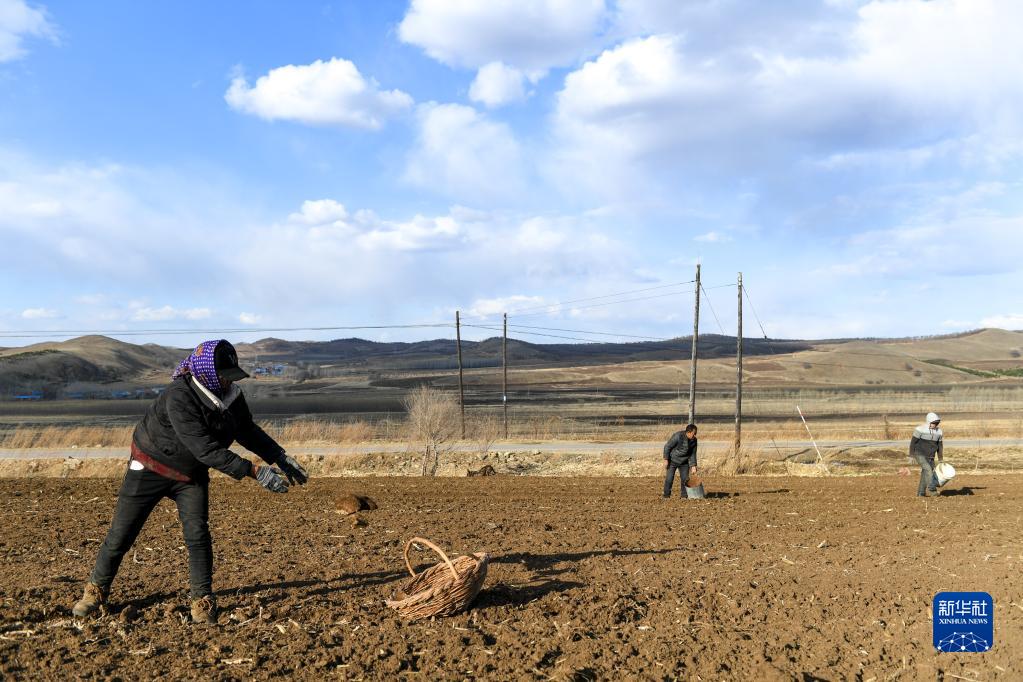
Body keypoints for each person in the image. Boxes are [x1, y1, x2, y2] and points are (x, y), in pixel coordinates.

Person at [71, 340, 309, 623]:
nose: (226, 381)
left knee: (197, 535)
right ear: (206, 371)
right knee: (122, 533)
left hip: (190, 474)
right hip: (150, 465)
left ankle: (202, 599)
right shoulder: (179, 396)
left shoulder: (231, 396)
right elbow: (205, 448)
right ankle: (95, 591)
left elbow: (245, 429)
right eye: (222, 374)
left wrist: (278, 456)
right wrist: (254, 471)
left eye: (230, 375)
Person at [910, 412, 943, 497]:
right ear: (928, 422)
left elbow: (940, 446)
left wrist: (940, 459)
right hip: (919, 453)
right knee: (928, 470)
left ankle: (921, 493)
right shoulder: (919, 429)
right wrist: (911, 455)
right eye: (934, 423)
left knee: (925, 474)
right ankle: (932, 490)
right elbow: (913, 443)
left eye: (937, 423)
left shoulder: (939, 432)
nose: (935, 425)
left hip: (931, 456)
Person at [663, 423, 698, 498]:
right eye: (694, 433)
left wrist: (693, 465)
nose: (695, 436)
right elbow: (667, 446)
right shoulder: (678, 436)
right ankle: (666, 496)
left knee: (685, 480)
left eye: (695, 434)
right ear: (688, 432)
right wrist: (666, 459)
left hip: (684, 462)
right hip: (672, 460)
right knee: (669, 479)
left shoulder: (694, 440)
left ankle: (684, 496)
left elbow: (693, 453)